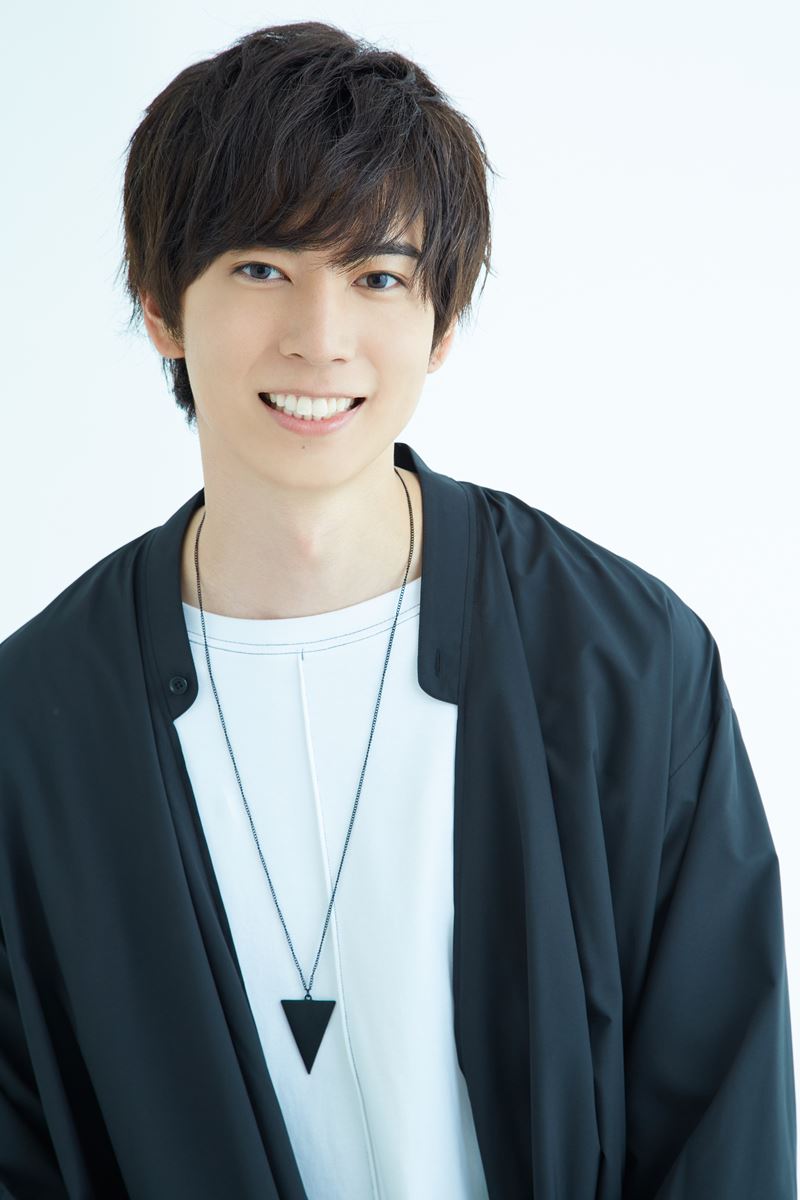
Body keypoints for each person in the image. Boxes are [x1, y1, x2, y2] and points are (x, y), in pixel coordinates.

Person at [0, 20, 795, 1200]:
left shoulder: (625, 664)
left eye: (376, 277)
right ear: (161, 306)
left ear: (443, 320)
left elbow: (723, 1135)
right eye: (260, 267)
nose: (319, 340)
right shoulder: (34, 729)